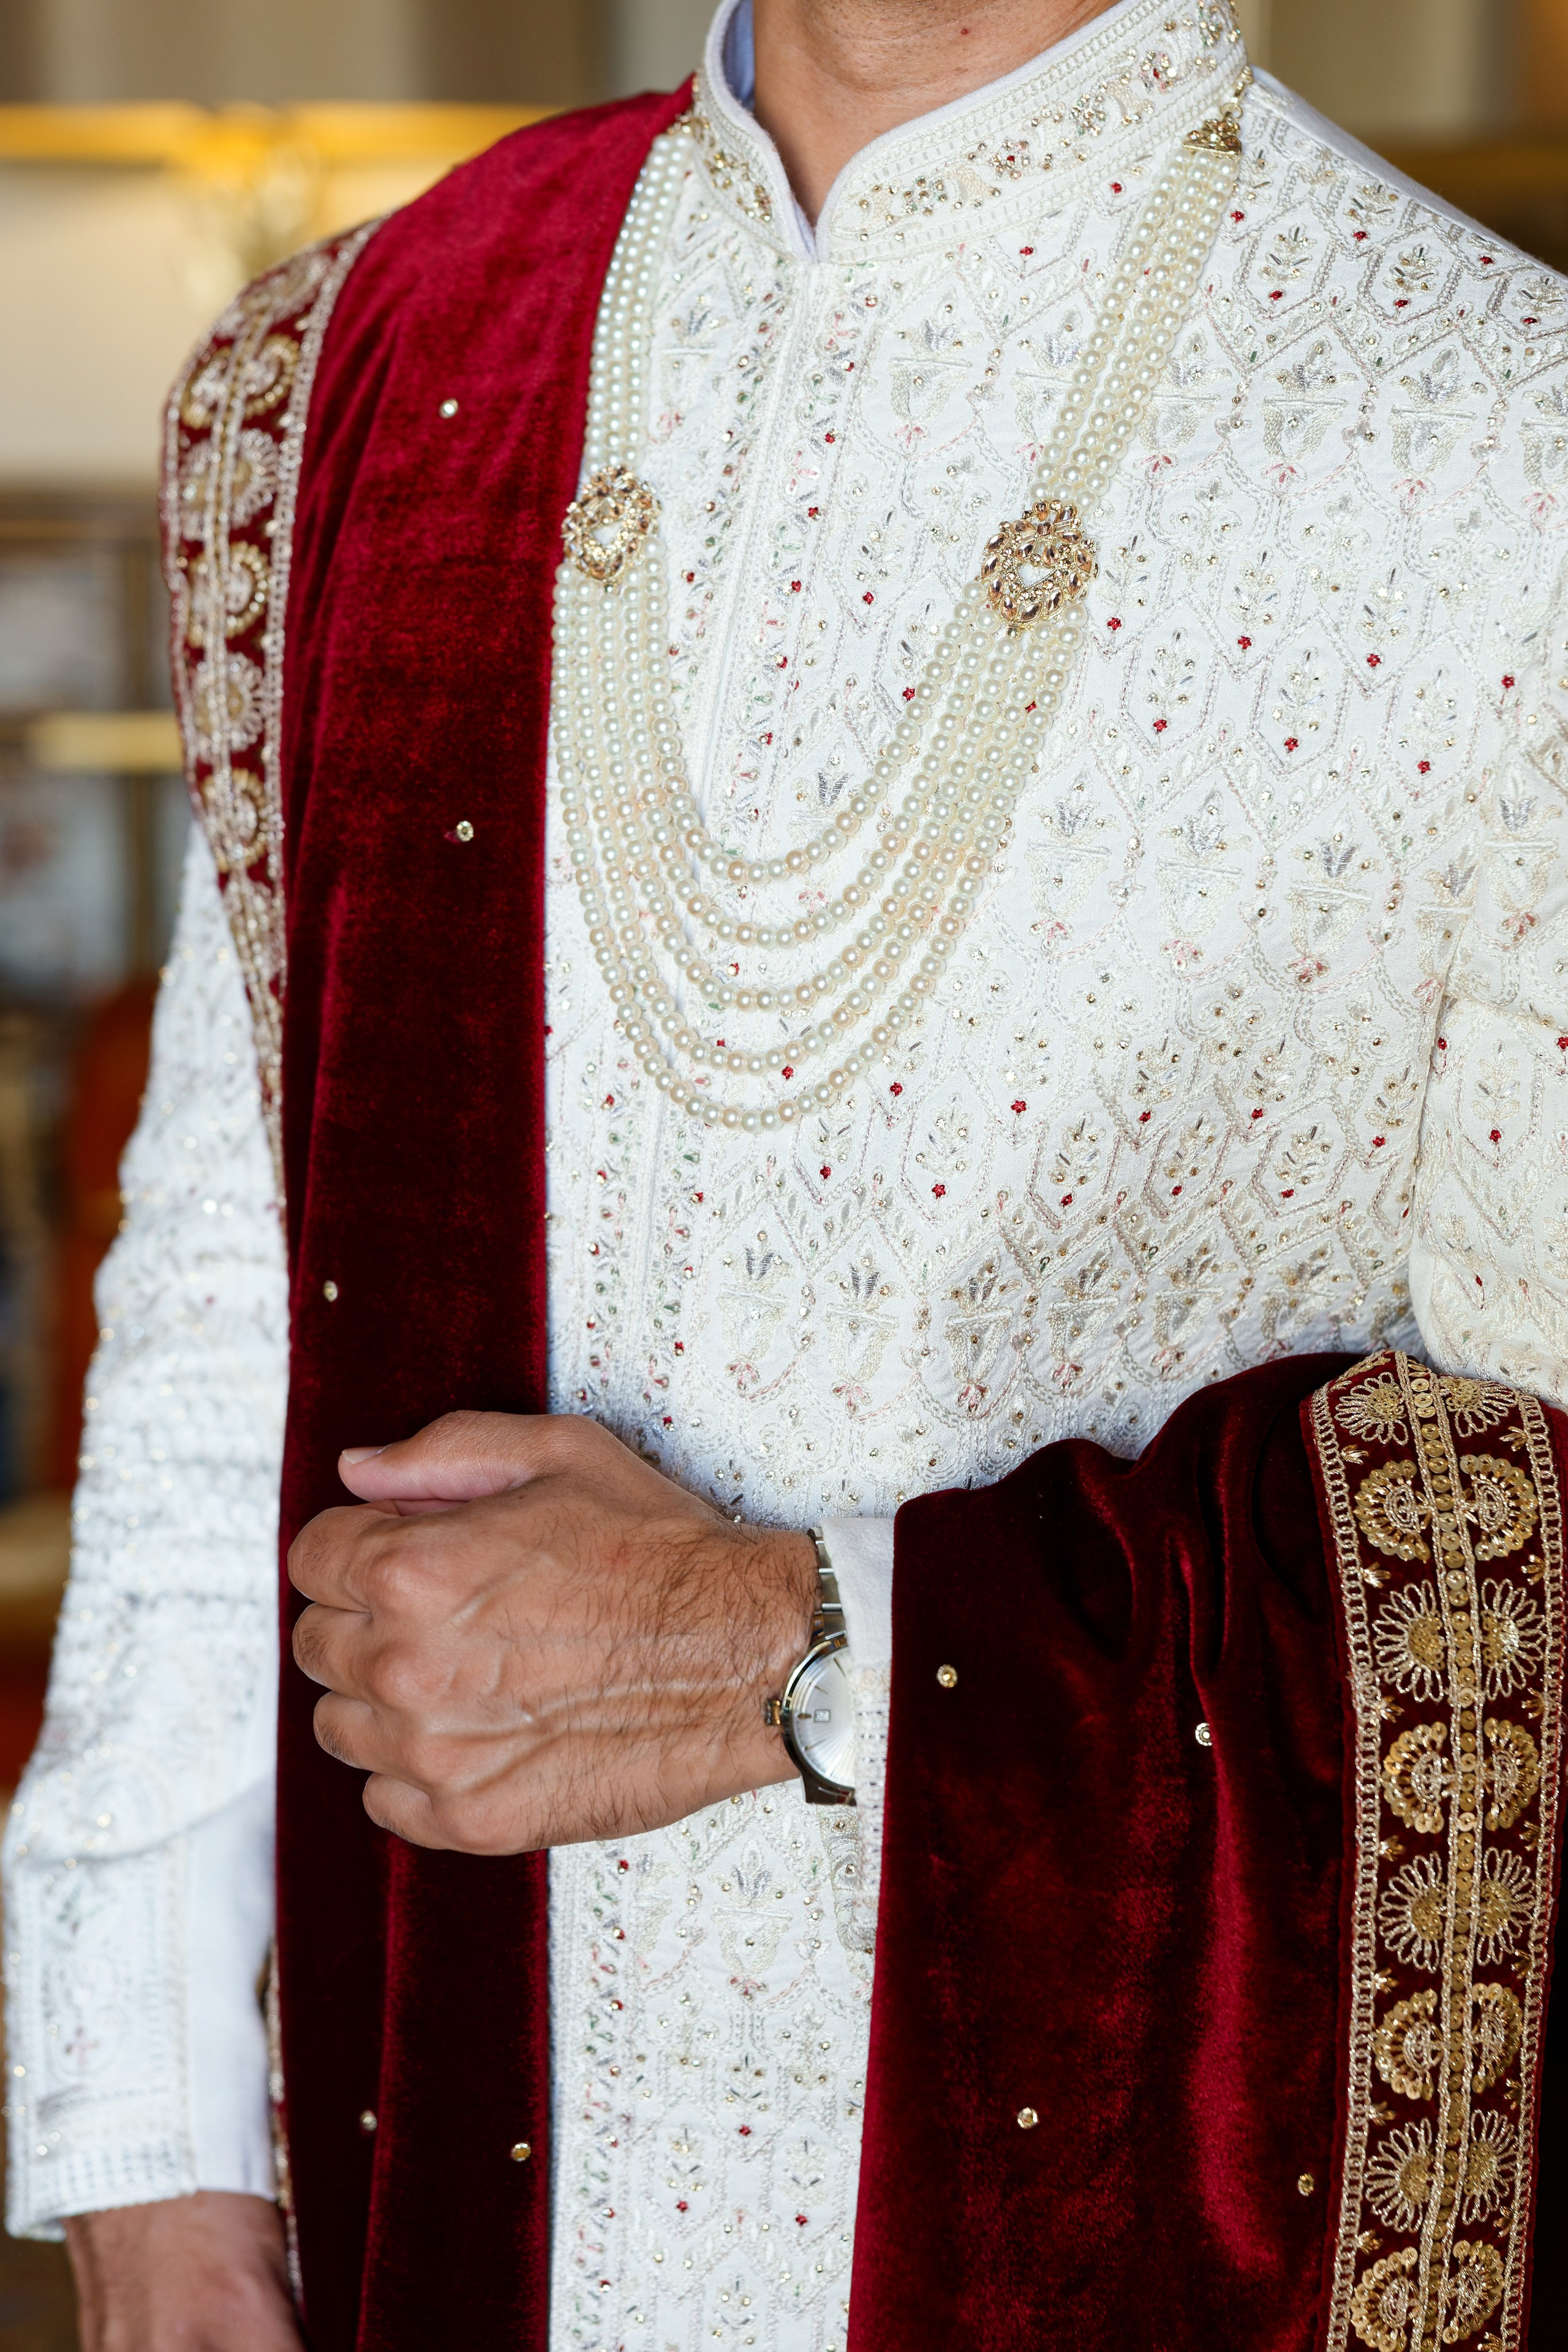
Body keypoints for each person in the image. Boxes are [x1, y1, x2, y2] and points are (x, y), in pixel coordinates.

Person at [6, 0, 1567, 2345]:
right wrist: (154, 2146)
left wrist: (797, 1644)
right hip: (413, 2189)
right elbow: (238, 1292)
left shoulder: (1494, 443)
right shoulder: (355, 367)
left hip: (1108, 2238)